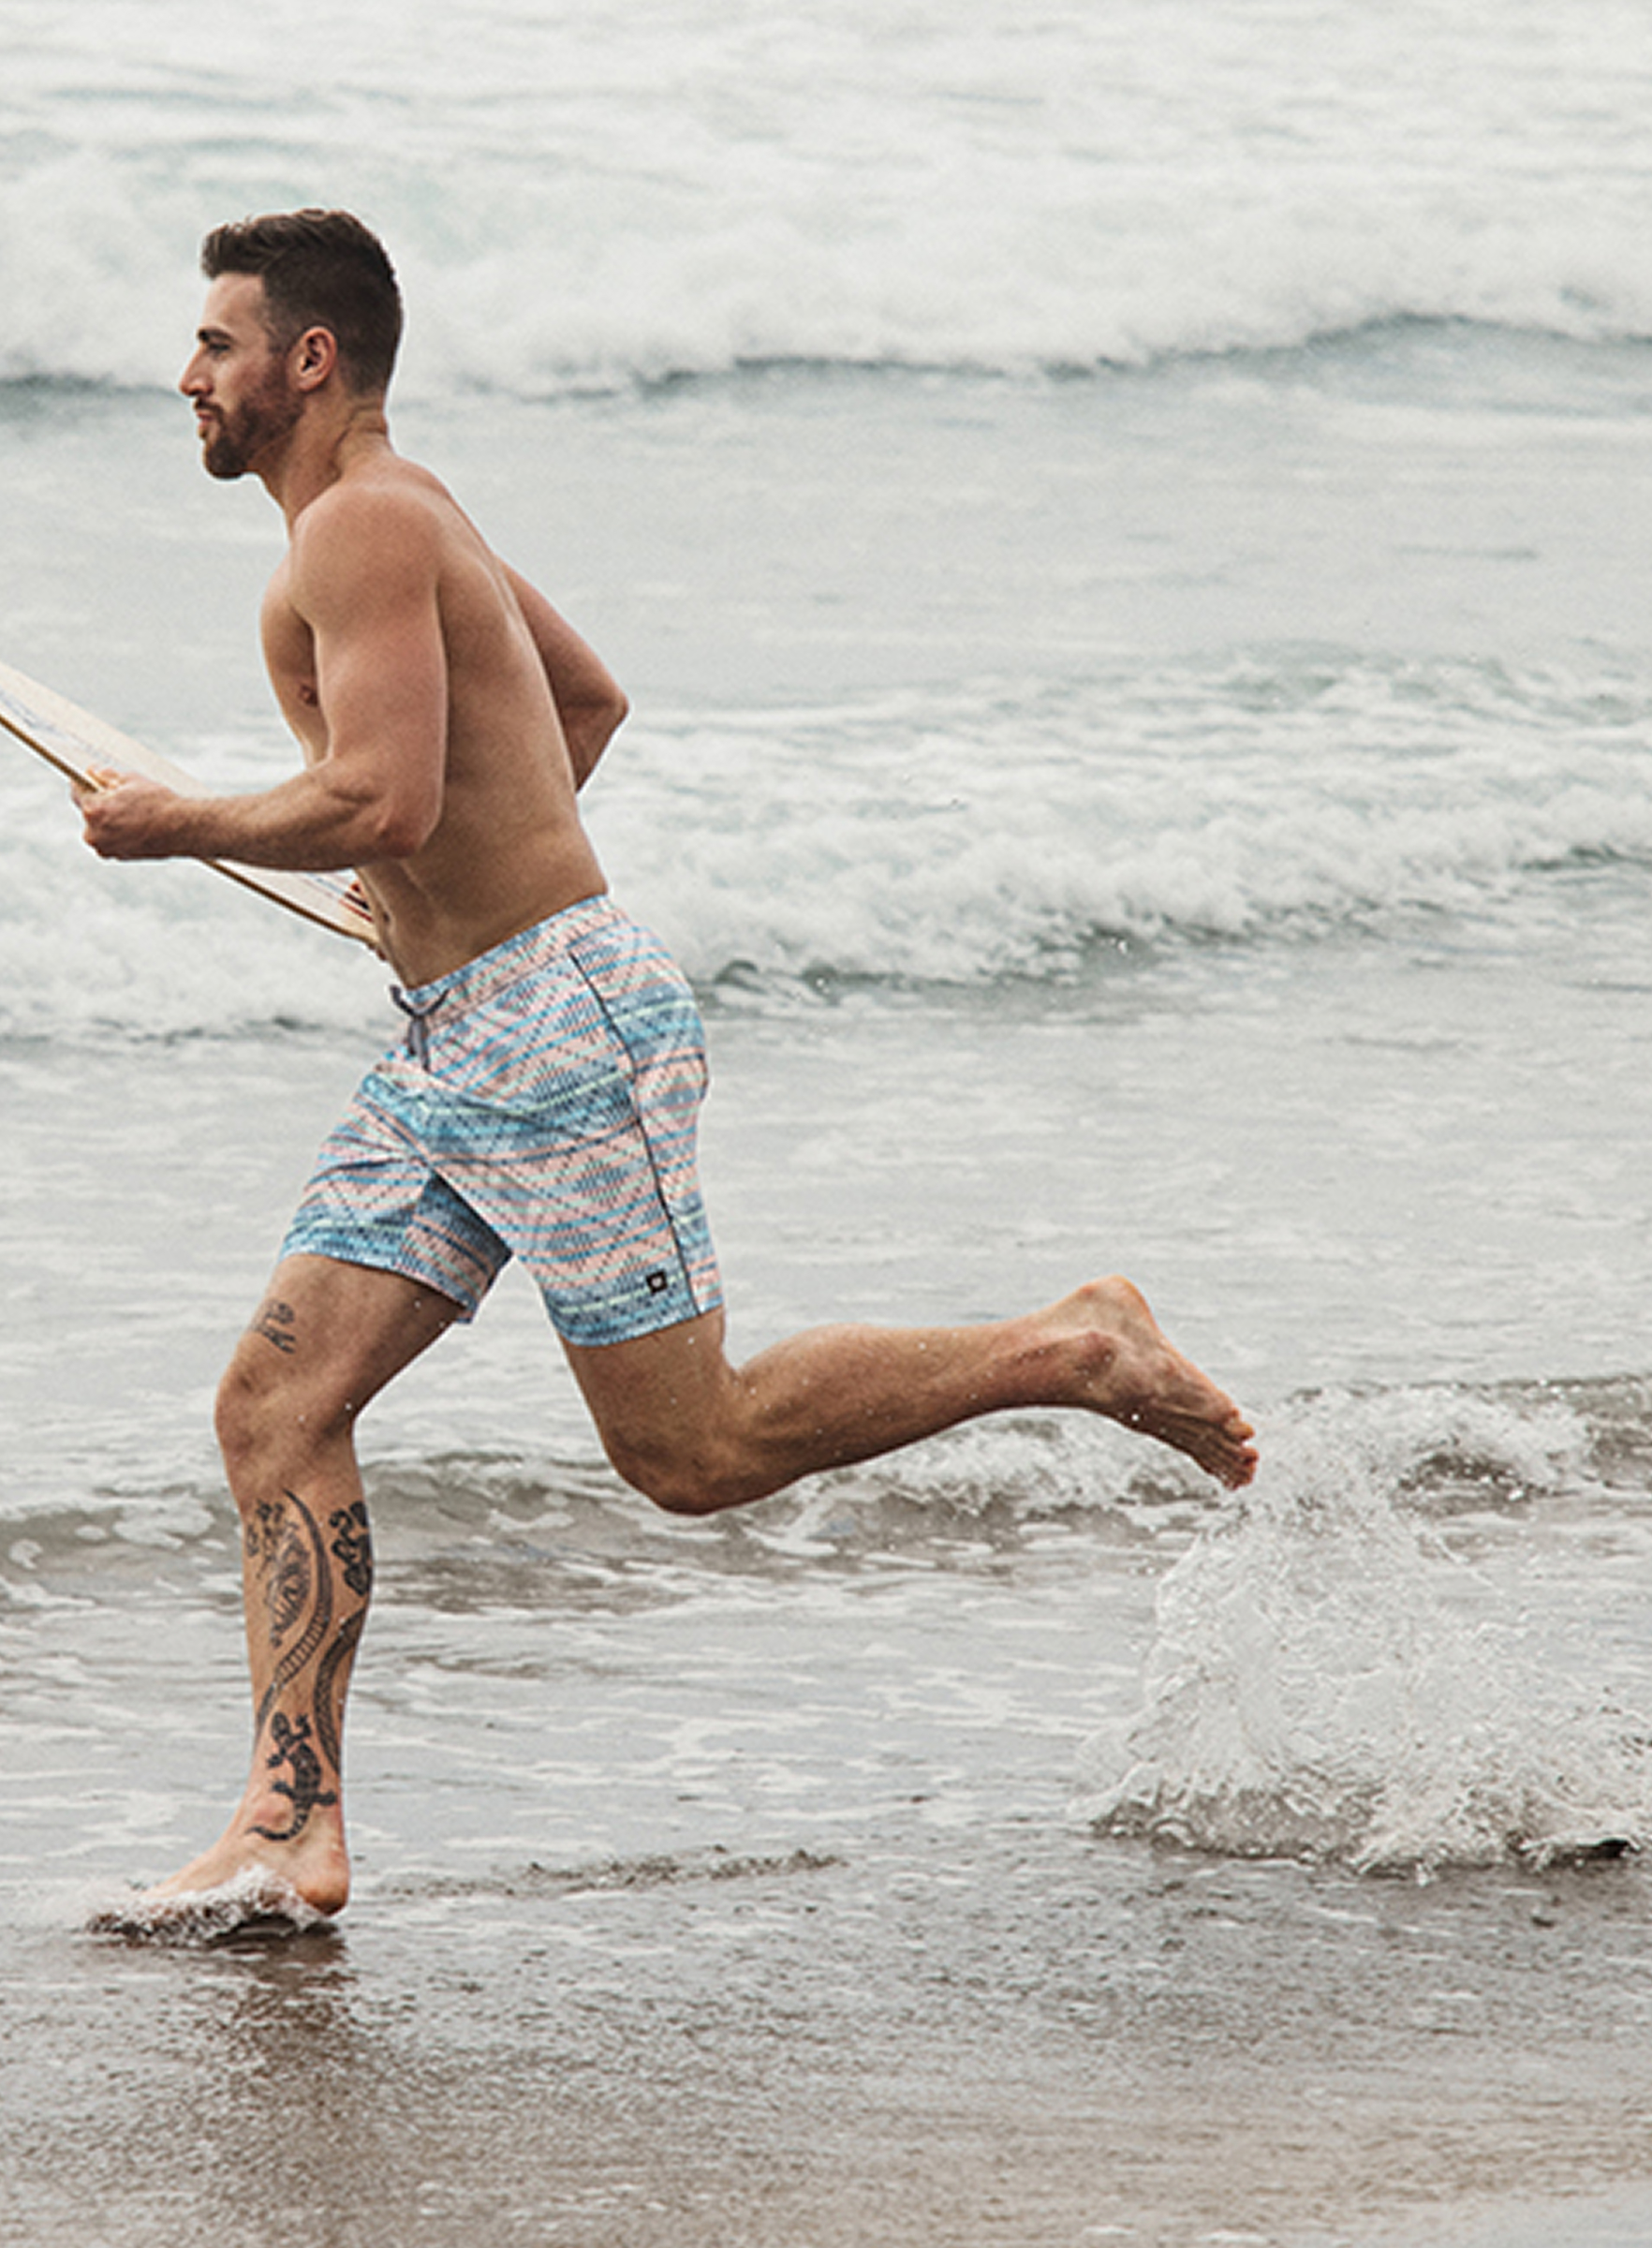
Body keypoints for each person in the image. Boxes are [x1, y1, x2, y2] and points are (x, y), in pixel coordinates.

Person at [77, 209, 1258, 1931]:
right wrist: (436, 892)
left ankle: (1074, 1345)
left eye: (214, 344)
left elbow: (386, 794)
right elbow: (583, 708)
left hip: (560, 1027)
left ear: (306, 360)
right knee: (276, 1403)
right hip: (459, 1035)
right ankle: (288, 1826)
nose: (186, 375)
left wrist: (190, 822)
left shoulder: (363, 528)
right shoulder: (411, 520)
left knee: (691, 1454)